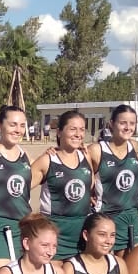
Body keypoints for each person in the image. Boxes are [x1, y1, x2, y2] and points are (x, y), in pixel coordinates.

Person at [0, 105, 43, 274]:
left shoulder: (26, 156)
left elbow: (52, 170)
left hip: (23, 225)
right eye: (13, 124)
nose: (18, 130)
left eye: (22, 125)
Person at [34, 110, 94, 261]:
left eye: (81, 129)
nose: (78, 134)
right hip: (55, 232)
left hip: (81, 231)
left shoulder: (85, 155)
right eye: (72, 129)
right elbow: (21, 190)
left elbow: (91, 185)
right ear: (59, 132)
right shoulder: (48, 160)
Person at [88, 104, 138, 254]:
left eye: (132, 123)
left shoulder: (134, 145)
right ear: (111, 124)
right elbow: (78, 170)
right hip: (107, 217)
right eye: (123, 122)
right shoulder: (96, 150)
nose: (128, 127)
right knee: (110, 266)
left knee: (131, 268)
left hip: (130, 215)